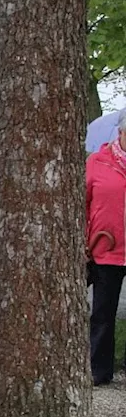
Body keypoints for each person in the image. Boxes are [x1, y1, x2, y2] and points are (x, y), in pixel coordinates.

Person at [86, 113, 126, 385]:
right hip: (106, 249)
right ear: (121, 133)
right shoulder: (97, 162)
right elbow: (82, 204)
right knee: (102, 314)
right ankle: (100, 371)